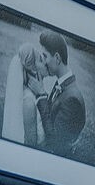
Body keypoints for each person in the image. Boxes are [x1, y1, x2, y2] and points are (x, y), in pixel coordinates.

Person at [31, 31, 86, 160]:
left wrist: (41, 95)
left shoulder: (72, 99)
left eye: (45, 56)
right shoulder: (62, 84)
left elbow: (55, 143)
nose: (43, 62)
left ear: (57, 58)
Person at [1, 36, 48, 146]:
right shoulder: (28, 102)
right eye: (41, 59)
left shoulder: (36, 93)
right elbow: (31, 145)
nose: (45, 62)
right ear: (32, 69)